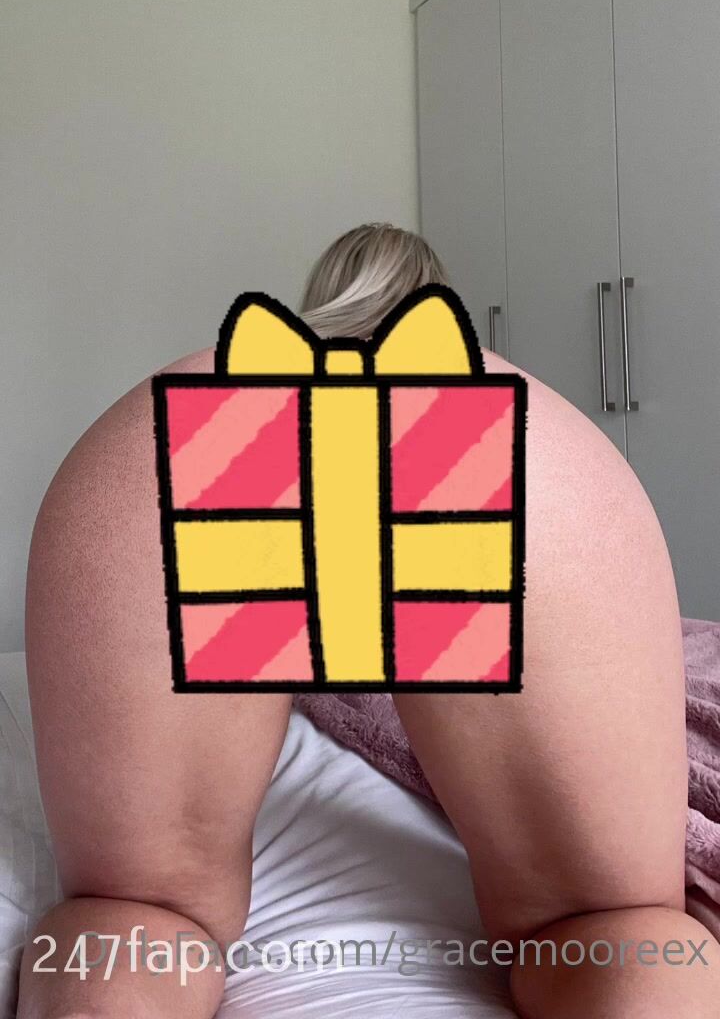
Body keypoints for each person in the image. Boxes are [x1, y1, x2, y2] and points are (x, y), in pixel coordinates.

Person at [18, 222, 717, 1018]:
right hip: (491, 445)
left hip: (212, 426)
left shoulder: (229, 378)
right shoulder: (503, 401)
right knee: (609, 929)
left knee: (134, 919)